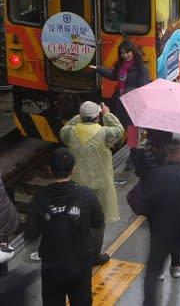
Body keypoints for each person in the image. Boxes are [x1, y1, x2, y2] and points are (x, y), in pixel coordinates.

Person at [24, 148, 105, 306]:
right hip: (80, 263)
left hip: (51, 266)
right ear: (73, 170)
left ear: (50, 170)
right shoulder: (86, 195)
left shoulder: (39, 199)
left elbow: (30, 233)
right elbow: (98, 221)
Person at [59, 100, 124, 265]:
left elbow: (65, 129)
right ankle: (94, 256)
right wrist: (107, 114)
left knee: (76, 219)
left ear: (81, 117)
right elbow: (119, 130)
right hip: (99, 187)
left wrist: (80, 115)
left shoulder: (70, 132)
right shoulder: (104, 133)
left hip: (77, 185)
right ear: (97, 118)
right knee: (97, 223)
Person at [141, 138, 180, 305]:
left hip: (160, 233)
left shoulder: (156, 175)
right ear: (178, 154)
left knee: (152, 271)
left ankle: (149, 303)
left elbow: (146, 204)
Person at [90, 38, 150, 171]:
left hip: (135, 106)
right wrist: (98, 69)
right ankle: (113, 153)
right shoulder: (121, 66)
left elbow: (143, 88)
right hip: (122, 105)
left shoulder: (141, 68)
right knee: (119, 129)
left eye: (128, 52)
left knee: (134, 132)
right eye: (123, 53)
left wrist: (126, 92)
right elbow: (114, 75)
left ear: (133, 52)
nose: (125, 55)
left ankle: (133, 159)